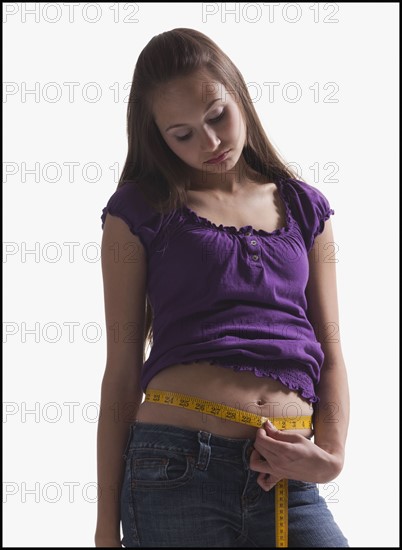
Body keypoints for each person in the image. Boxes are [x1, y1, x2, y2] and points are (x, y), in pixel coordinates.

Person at [95, 28, 350, 548]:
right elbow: (120, 372)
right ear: (156, 136)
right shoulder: (139, 212)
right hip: (173, 468)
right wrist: (104, 528)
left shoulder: (304, 207)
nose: (209, 143)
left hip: (287, 475)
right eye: (181, 133)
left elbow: (332, 351)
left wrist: (330, 457)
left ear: (239, 93)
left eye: (216, 116)